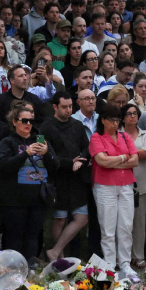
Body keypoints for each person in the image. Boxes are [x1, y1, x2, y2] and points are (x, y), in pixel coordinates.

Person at [0, 102, 57, 263]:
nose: (28, 124)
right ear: (15, 121)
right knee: (14, 237)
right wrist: (26, 154)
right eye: (24, 121)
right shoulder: (8, 142)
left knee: (33, 236)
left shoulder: (41, 140)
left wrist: (46, 153)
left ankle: (30, 270)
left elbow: (55, 166)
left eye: (31, 121)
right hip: (13, 199)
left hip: (37, 199)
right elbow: (4, 165)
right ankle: (12, 270)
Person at [89, 104, 138, 277]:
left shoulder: (124, 136)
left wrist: (114, 161)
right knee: (108, 227)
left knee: (126, 225)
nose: (115, 124)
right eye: (112, 120)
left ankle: (124, 262)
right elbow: (102, 161)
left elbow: (136, 161)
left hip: (125, 184)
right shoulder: (96, 137)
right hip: (104, 185)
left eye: (118, 120)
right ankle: (109, 263)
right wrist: (124, 157)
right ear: (103, 120)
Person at [42, 92, 90, 262]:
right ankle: (59, 259)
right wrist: (70, 162)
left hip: (77, 177)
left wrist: (80, 162)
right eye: (64, 107)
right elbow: (47, 155)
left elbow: (86, 148)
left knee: (82, 217)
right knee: (60, 219)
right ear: (55, 107)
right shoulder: (46, 126)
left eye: (70, 106)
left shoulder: (77, 125)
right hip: (58, 178)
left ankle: (55, 251)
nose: (68, 110)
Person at [123, 102, 146, 268]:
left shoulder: (145, 134)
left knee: (139, 221)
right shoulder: (117, 134)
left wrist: (127, 152)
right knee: (123, 222)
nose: (132, 116)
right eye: (129, 113)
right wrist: (136, 153)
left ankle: (138, 255)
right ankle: (123, 257)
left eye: (135, 113)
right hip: (121, 182)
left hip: (141, 182)